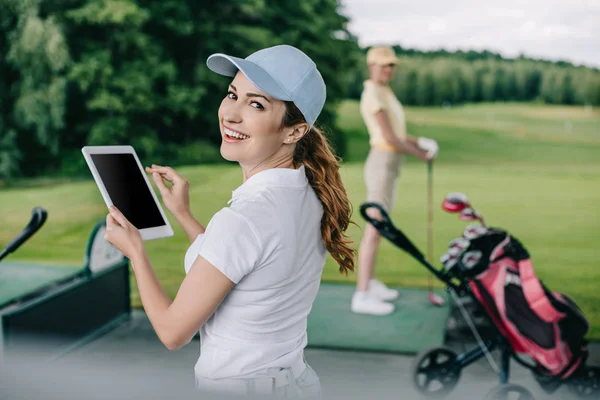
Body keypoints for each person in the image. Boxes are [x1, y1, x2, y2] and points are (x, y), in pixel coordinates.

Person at [102, 44, 355, 398]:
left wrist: (136, 254)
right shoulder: (309, 192)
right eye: (232, 94)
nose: (231, 115)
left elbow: (173, 333)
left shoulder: (244, 218)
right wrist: (184, 215)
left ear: (294, 131)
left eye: (256, 104)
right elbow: (239, 264)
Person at [350, 46, 439, 316]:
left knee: (381, 225)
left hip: (390, 164)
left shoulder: (385, 92)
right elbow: (389, 138)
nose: (388, 69)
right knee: (375, 227)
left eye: (391, 65)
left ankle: (371, 283)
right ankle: (362, 294)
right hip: (382, 162)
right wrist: (420, 154)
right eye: (383, 65)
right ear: (371, 66)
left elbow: (398, 132)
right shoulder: (372, 94)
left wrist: (420, 140)